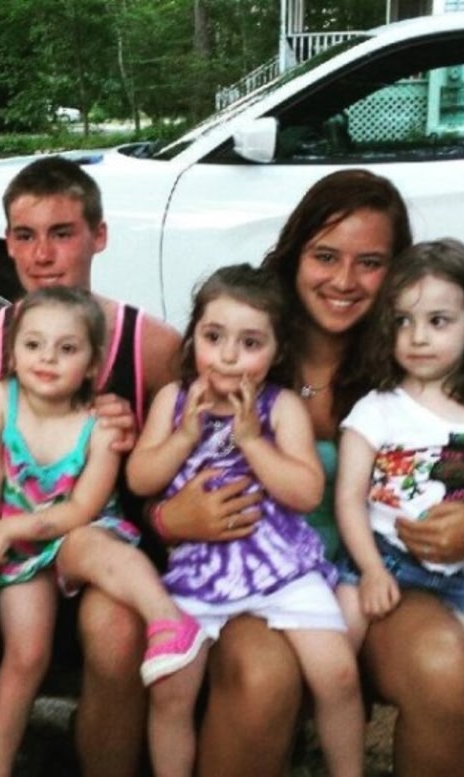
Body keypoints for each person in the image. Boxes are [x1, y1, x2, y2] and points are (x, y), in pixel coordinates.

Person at [152, 169, 464, 776]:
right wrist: (166, 519)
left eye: (370, 263)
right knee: (263, 675)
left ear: (397, 273)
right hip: (252, 574)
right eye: (326, 256)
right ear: (295, 253)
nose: (343, 280)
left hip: (375, 577)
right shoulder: (239, 346)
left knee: (444, 667)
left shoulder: (414, 364)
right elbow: (152, 473)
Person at [0, 156, 183, 776]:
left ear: (98, 236)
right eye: (25, 236)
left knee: (118, 635)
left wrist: (136, 444)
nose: (42, 255)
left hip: (104, 546)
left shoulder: (153, 347)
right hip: (7, 545)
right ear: (6, 242)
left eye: (62, 233)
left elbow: (178, 469)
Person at [127, 264, 362, 777]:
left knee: (339, 675)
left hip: (282, 568)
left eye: (250, 343)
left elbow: (306, 492)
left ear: (277, 351)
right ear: (193, 337)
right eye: (213, 337)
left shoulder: (281, 407)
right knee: (171, 689)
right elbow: (140, 478)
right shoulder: (174, 401)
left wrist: (253, 441)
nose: (228, 356)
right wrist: (184, 438)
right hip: (197, 572)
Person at [0, 285, 205, 776]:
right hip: (19, 549)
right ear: (12, 351)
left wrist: (13, 529)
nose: (47, 358)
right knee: (24, 656)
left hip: (80, 530)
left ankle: (169, 621)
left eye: (67, 348)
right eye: (33, 344)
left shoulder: (102, 425)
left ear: (93, 364)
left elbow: (82, 508)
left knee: (85, 544)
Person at [335, 238, 464, 722]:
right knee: (335, 666)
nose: (417, 337)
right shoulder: (379, 409)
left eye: (438, 321)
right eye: (403, 321)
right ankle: (338, 728)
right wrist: (371, 569)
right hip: (385, 560)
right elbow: (349, 499)